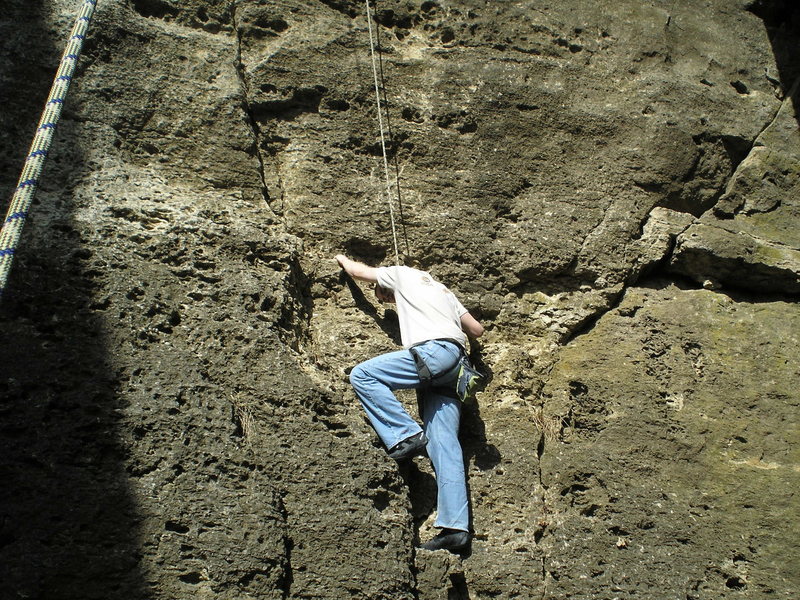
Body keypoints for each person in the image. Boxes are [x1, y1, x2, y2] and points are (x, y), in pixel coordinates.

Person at [334, 254, 485, 552]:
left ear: (386, 285)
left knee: (364, 375)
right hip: (457, 369)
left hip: (435, 353)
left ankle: (404, 435)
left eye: (383, 296)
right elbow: (476, 329)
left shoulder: (400, 273)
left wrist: (341, 258)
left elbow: (358, 271)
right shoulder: (444, 292)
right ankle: (456, 528)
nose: (385, 301)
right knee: (444, 445)